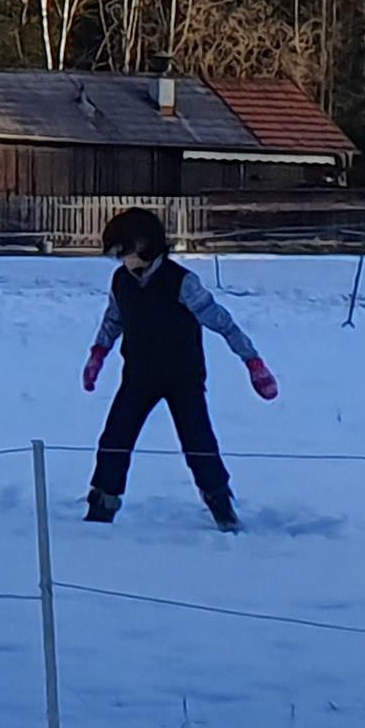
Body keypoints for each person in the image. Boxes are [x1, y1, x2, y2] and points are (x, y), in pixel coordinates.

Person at [82, 206, 277, 530]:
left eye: (124, 252)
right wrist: (98, 353)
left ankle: (221, 505)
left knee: (198, 442)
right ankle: (101, 505)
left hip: (182, 378)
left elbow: (221, 322)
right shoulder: (121, 282)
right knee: (114, 440)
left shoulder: (182, 282)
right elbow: (113, 319)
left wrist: (252, 361)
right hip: (138, 377)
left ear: (144, 245)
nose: (122, 262)